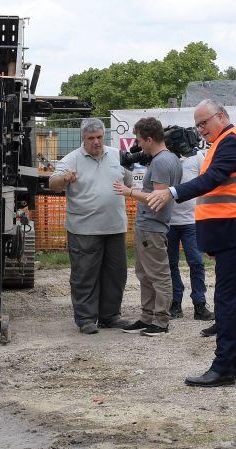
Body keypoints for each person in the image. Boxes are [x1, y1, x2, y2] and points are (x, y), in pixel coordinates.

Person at [146, 99, 236, 387]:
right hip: (234, 232)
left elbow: (212, 180)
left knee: (227, 301)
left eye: (204, 122)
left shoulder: (232, 141)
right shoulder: (223, 142)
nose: (200, 129)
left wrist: (171, 192)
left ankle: (223, 366)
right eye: (197, 124)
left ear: (221, 117)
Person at [49, 118, 132, 334]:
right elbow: (53, 184)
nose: (96, 142)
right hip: (83, 229)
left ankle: (110, 316)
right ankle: (85, 318)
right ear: (83, 139)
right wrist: (64, 179)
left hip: (115, 227)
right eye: (91, 138)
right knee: (84, 275)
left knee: (116, 275)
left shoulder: (117, 155)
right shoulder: (71, 159)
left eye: (99, 137)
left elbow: (129, 183)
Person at [112, 117, 181, 336]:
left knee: (158, 275)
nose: (138, 146)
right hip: (150, 226)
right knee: (145, 274)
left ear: (150, 139)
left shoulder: (161, 162)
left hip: (152, 226)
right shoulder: (169, 158)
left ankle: (160, 321)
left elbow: (158, 198)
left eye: (140, 140)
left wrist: (129, 192)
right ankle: (147, 316)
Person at [167, 149, 213, 321]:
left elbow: (207, 181)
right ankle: (175, 302)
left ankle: (199, 305)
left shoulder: (197, 157)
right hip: (168, 222)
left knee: (196, 262)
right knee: (170, 264)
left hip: (191, 221)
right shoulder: (164, 157)